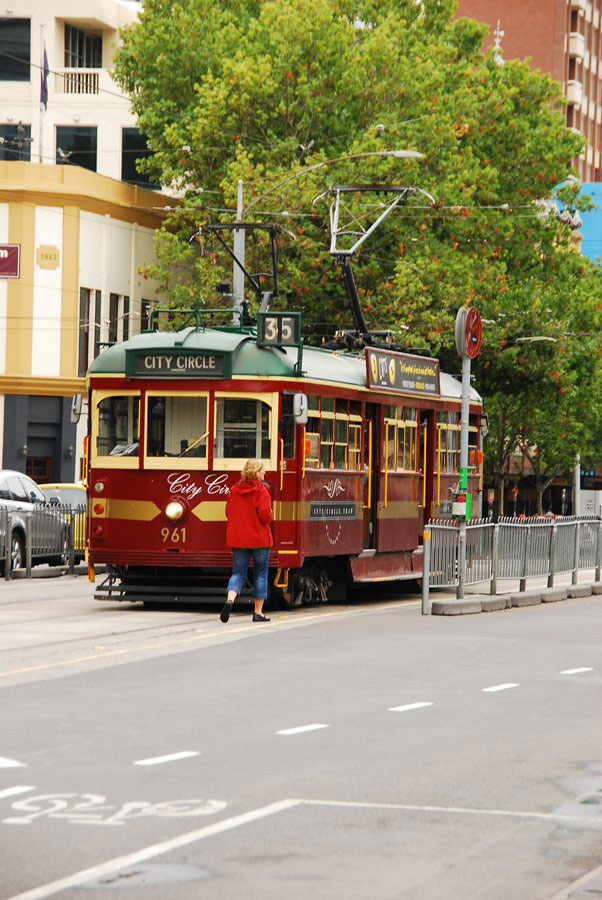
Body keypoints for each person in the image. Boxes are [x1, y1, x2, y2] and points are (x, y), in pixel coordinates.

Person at [220, 459, 273, 624]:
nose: (265, 474)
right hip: (259, 539)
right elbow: (265, 516)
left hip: (239, 539)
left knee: (238, 573)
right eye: (263, 471)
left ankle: (230, 599)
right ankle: (258, 612)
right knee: (260, 574)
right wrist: (270, 512)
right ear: (257, 473)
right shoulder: (262, 491)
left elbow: (228, 512)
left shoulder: (234, 490)